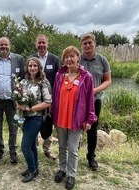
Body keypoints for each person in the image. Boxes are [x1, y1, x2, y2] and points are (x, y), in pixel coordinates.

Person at [52, 46, 97, 189]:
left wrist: (90, 119)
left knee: (72, 149)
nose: (69, 59)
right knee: (61, 146)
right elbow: (54, 96)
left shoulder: (86, 77)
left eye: (72, 56)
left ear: (78, 58)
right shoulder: (60, 75)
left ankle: (71, 175)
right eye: (66, 57)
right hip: (60, 117)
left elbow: (90, 99)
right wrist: (52, 114)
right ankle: (62, 169)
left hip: (76, 119)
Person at [0, 37, 25, 164]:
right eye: (1, 45)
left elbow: (22, 80)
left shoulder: (19, 59)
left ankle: (13, 151)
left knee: (13, 128)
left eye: (6, 45)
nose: (4, 47)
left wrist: (20, 99)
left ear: (10, 46)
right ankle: (0, 150)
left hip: (12, 102)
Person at [79, 33, 112, 171]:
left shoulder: (102, 60)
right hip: (78, 101)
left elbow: (108, 80)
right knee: (76, 127)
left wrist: (93, 91)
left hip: (95, 100)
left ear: (94, 43)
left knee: (92, 129)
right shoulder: (77, 59)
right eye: (85, 43)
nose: (87, 45)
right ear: (82, 45)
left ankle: (91, 156)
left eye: (89, 43)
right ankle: (73, 154)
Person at [17, 57, 52, 183]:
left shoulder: (43, 82)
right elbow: (19, 97)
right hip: (24, 117)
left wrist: (30, 108)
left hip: (36, 117)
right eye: (30, 66)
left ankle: (32, 170)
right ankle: (34, 168)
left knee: (25, 146)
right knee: (31, 144)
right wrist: (18, 103)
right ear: (27, 67)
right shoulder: (24, 82)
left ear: (39, 67)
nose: (32, 68)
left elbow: (48, 102)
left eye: (35, 66)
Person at [30, 34, 61, 160]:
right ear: (36, 44)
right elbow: (27, 76)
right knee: (33, 122)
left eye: (44, 43)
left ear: (47, 44)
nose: (41, 45)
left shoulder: (55, 59)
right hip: (35, 99)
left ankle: (47, 150)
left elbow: (58, 80)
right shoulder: (31, 58)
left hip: (50, 100)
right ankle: (33, 149)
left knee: (48, 125)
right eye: (39, 43)